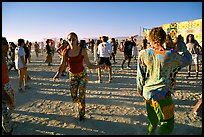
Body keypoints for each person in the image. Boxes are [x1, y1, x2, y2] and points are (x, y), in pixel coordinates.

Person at [137, 27, 192, 135]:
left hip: (148, 94)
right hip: (162, 95)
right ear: (163, 39)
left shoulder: (143, 53)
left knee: (152, 122)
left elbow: (140, 75)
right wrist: (181, 44)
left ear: (150, 39)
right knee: (167, 124)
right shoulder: (170, 55)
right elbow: (188, 60)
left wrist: (140, 90)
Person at [53, 32, 104, 121]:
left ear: (77, 40)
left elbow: (89, 65)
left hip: (82, 75)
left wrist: (99, 66)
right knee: (74, 97)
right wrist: (58, 73)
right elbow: (62, 64)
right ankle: (79, 103)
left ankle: (81, 113)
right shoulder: (66, 51)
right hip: (72, 76)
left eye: (73, 39)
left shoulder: (82, 50)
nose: (71, 41)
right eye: (69, 39)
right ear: (67, 41)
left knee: (82, 95)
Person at [2, 37, 15, 135]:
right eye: (4, 44)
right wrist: (5, 95)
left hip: (7, 85)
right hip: (3, 88)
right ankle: (7, 130)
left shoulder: (4, 56)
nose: (7, 46)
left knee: (11, 106)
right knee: (7, 109)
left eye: (6, 43)